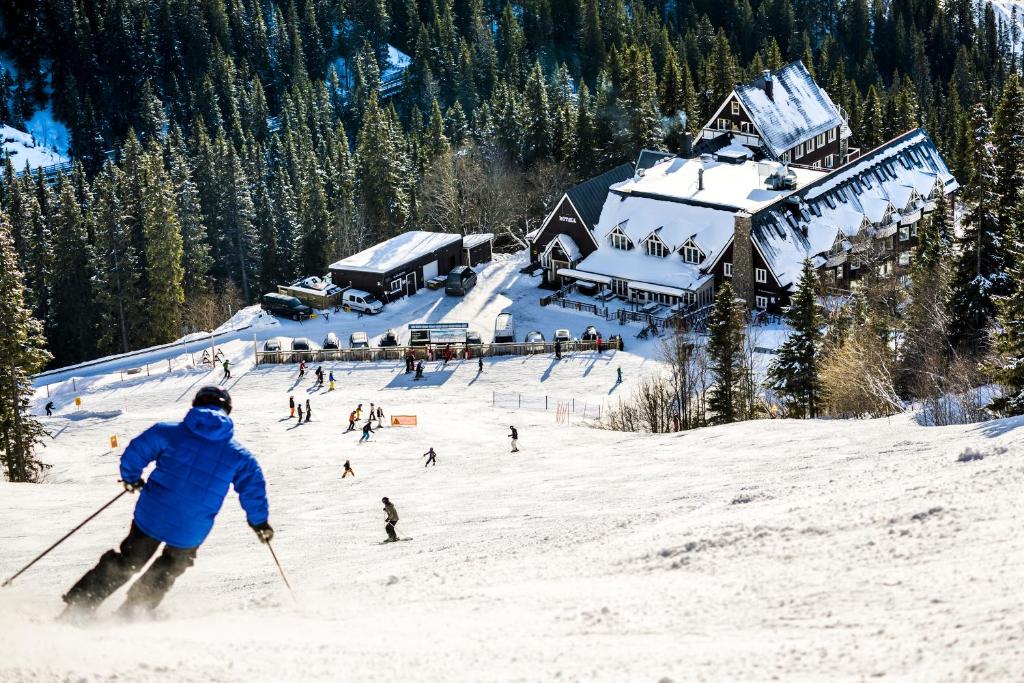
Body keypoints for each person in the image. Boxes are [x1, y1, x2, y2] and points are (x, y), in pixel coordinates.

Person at [60, 387, 271, 620]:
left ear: (195, 405)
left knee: (128, 560)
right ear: (228, 411)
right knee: (167, 569)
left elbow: (136, 451)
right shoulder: (240, 456)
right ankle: (131, 614)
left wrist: (131, 478)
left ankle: (78, 608)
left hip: (153, 514)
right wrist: (259, 523)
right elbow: (253, 490)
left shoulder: (167, 432)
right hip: (191, 527)